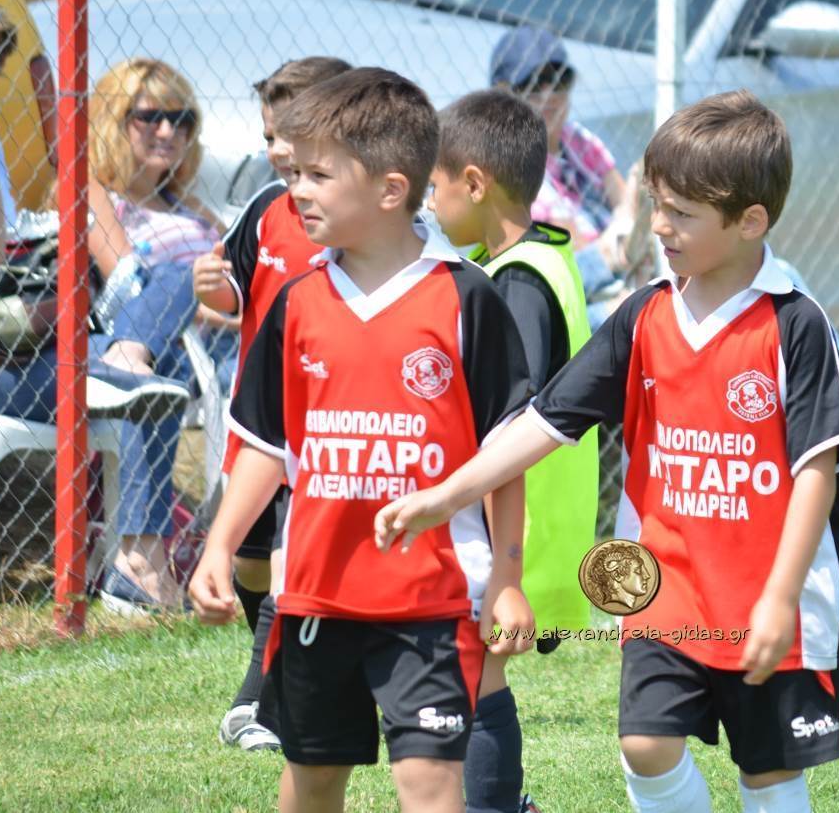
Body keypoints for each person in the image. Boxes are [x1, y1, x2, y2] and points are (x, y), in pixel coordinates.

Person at [376, 90, 839, 813]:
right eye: (656, 204)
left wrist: (780, 597)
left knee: (768, 775)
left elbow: (815, 471)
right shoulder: (644, 316)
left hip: (770, 596)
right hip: (664, 585)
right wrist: (447, 495)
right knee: (644, 742)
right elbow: (543, 422)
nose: (659, 226)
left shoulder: (794, 323)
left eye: (682, 213)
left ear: (750, 221)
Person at [187, 67, 535, 813]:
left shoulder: (467, 298)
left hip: (432, 600)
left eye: (318, 175)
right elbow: (266, 445)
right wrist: (220, 545)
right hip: (317, 594)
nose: (297, 191)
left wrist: (506, 578)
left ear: (389, 189)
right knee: (313, 778)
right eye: (294, 173)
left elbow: (505, 457)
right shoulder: (296, 303)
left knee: (429, 780)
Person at [492, 24, 839, 460]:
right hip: (582, 302)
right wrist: (619, 243)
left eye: (560, 79)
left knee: (778, 281)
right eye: (532, 84)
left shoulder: (578, 141)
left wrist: (626, 233)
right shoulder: (516, 164)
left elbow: (627, 209)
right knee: (691, 303)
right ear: (502, 91)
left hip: (631, 274)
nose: (549, 96)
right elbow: (574, 258)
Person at [0, 0, 192, 598]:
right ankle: (139, 565)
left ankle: (123, 357)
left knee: (175, 285)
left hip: (7, 333)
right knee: (161, 378)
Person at [429, 88, 599, 813]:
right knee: (468, 672)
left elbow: (508, 418)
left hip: (519, 526)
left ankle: (499, 806)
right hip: (532, 522)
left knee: (476, 672)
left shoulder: (516, 283)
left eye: (434, 186)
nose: (429, 204)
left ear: (474, 183)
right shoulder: (542, 256)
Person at [192, 55, 351, 754]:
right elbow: (234, 291)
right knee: (255, 564)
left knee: (293, 561)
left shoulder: (350, 221)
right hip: (259, 425)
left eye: (293, 135)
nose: (279, 150)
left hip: (326, 430)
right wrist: (213, 288)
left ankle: (257, 701)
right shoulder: (263, 210)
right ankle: (278, 661)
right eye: (269, 137)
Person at [86, 57, 229, 612]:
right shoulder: (97, 195)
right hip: (164, 338)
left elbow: (246, 281)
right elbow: (125, 285)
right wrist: (206, 293)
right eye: (150, 117)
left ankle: (144, 563)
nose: (168, 131)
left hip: (216, 339)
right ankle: (141, 562)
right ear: (114, 121)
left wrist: (227, 307)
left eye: (182, 119)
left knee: (153, 368)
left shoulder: (188, 205)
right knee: (173, 279)